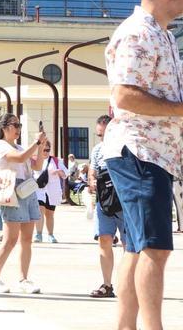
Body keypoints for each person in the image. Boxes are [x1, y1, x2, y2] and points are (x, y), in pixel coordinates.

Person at [103, 0, 183, 330]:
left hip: (152, 154)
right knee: (155, 247)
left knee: (137, 247)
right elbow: (123, 95)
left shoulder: (161, 34)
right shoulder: (139, 32)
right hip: (140, 151)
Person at [0, 113, 46, 295]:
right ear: (5, 128)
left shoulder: (19, 146)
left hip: (27, 189)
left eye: (19, 125)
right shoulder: (0, 145)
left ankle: (23, 278)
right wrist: (35, 144)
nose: (18, 129)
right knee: (10, 239)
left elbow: (36, 166)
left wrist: (41, 147)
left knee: (27, 239)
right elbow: (18, 158)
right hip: (11, 190)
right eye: (15, 125)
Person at [88, 114, 124, 299]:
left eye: (104, 134)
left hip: (124, 202)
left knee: (129, 245)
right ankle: (107, 284)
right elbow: (92, 172)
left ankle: (130, 283)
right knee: (104, 240)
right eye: (99, 134)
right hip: (104, 201)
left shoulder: (125, 148)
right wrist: (92, 181)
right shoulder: (97, 150)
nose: (101, 138)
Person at [34, 140, 67, 243]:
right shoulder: (34, 159)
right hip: (39, 190)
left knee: (49, 214)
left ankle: (50, 235)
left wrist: (59, 171)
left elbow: (65, 173)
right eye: (43, 150)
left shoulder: (56, 161)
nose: (45, 152)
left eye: (47, 150)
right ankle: (38, 234)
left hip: (52, 191)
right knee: (40, 211)